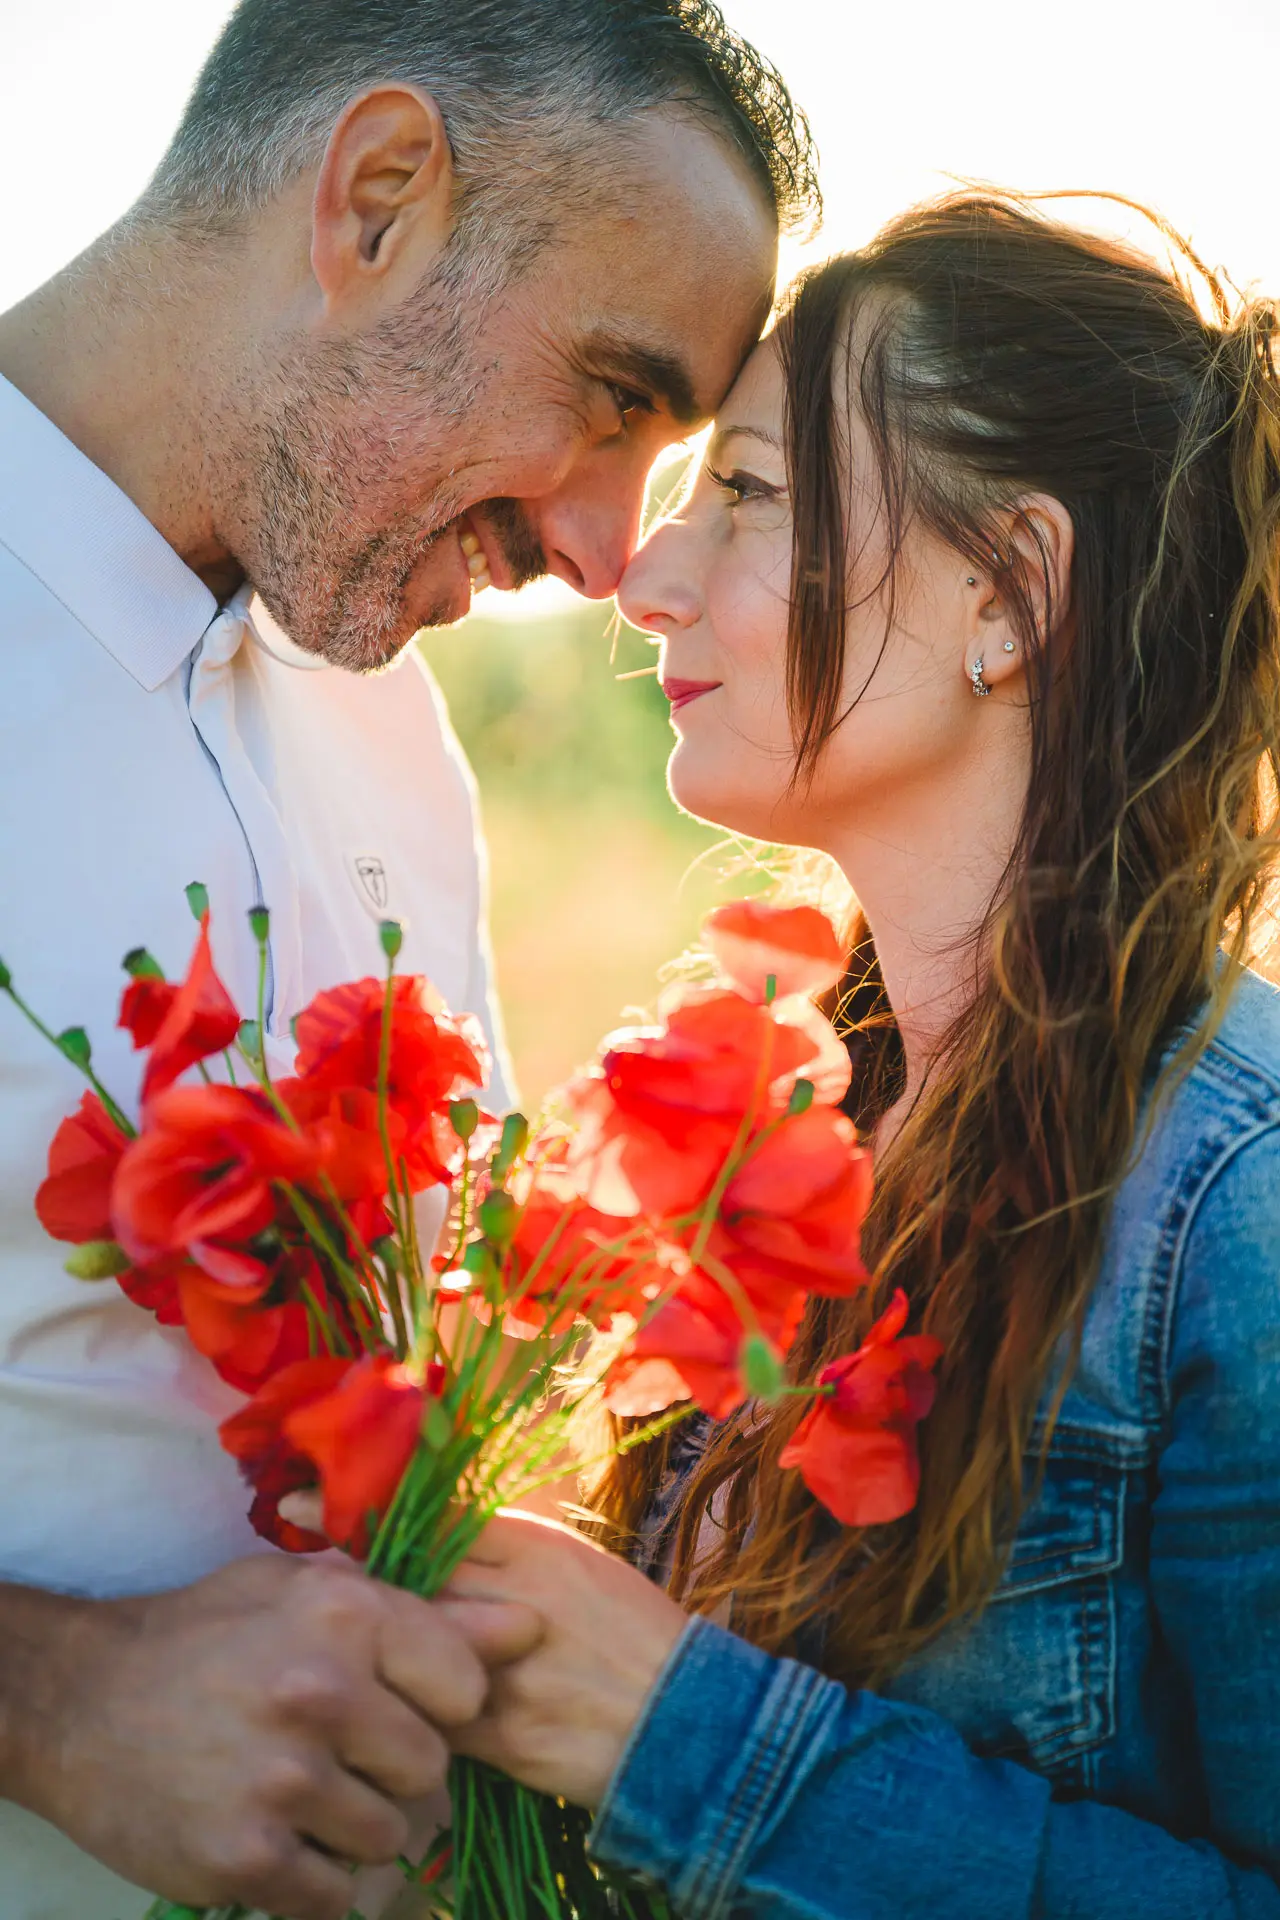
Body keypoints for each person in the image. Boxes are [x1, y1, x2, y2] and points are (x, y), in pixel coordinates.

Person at [0, 1, 818, 1913]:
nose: (608, 554)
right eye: (609, 400)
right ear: (376, 199)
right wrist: (48, 1702)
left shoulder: (392, 735)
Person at [435, 193, 1280, 1916]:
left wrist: (671, 1735)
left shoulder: (1233, 1209)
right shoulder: (785, 1119)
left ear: (1014, 593)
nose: (645, 581)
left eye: (747, 493)